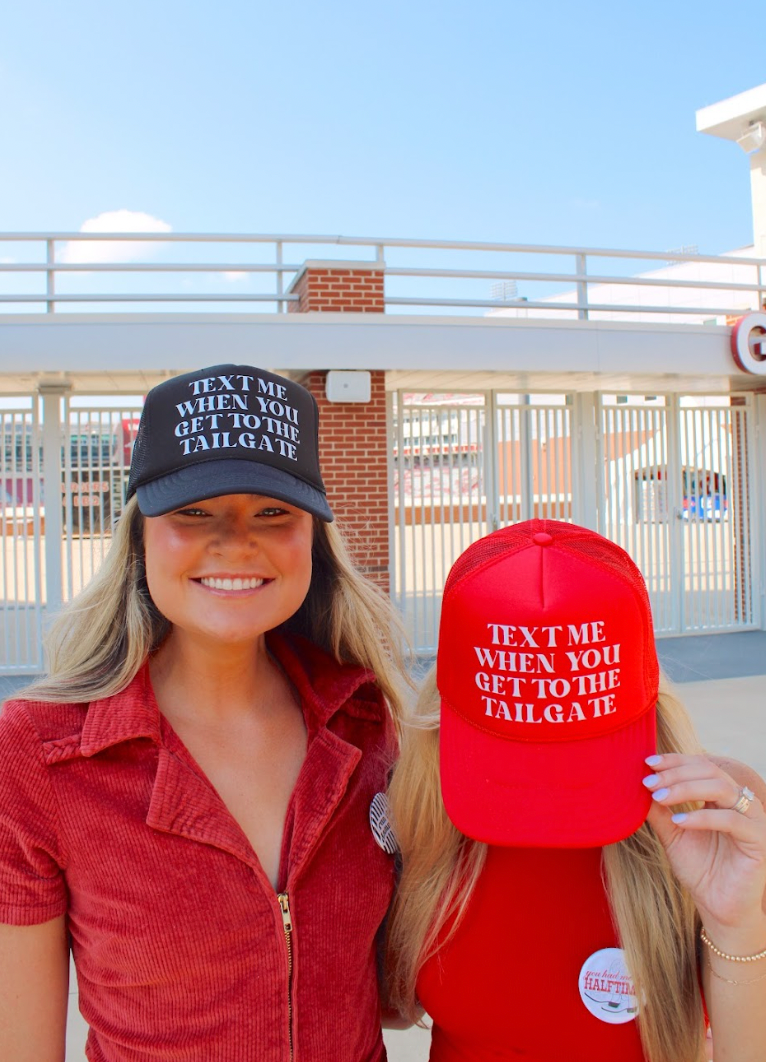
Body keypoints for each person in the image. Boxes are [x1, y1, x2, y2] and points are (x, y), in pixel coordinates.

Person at [0, 364, 408, 1062]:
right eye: (193, 512)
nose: (236, 541)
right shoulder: (37, 753)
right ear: (140, 537)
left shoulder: (368, 720)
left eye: (273, 512)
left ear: (313, 539)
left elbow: (400, 995)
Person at [385, 519, 766, 1062]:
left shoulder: (716, 814)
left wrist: (735, 926)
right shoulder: (417, 809)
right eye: (516, 750)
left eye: (577, 751)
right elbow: (385, 1004)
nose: (546, 800)